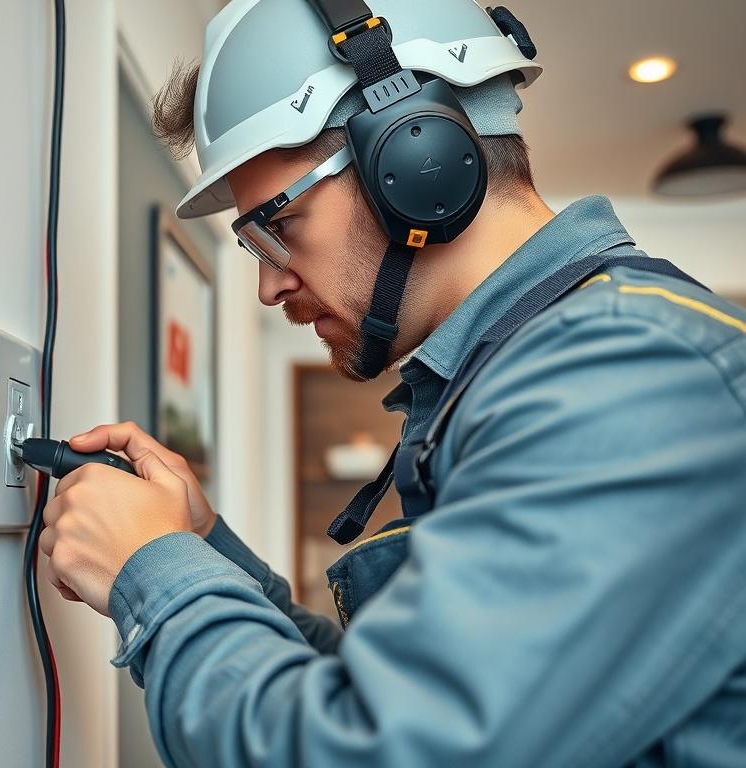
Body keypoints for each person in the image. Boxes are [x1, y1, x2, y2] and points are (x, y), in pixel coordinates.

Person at [38, 1, 746, 765]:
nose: (269, 288)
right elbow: (384, 693)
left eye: (275, 227)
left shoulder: (624, 376)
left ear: (411, 162)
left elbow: (367, 751)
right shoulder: (528, 374)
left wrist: (151, 567)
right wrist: (201, 548)